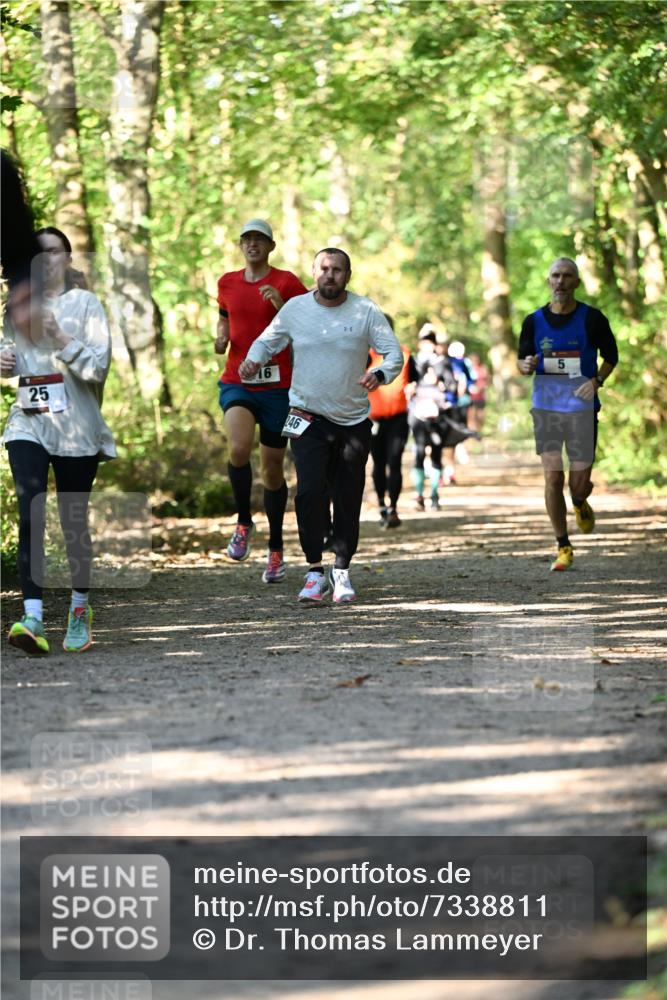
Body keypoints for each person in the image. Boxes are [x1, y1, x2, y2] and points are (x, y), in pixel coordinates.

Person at [239, 248, 402, 604]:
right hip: (307, 417)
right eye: (324, 269)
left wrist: (379, 373)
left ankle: (341, 571)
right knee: (310, 493)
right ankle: (315, 572)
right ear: (314, 272)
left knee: (347, 495)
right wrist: (253, 360)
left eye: (338, 270)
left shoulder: (365, 310)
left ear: (348, 274)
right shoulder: (296, 309)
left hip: (353, 420)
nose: (330, 275)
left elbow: (394, 355)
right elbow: (269, 339)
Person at [1, 227, 116, 654]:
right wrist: (3, 359)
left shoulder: (86, 304)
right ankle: (31, 616)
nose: (46, 260)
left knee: (72, 523)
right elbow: (8, 359)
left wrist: (61, 337)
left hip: (78, 429)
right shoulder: (17, 307)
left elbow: (98, 369)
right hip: (28, 424)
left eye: (54, 253)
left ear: (68, 260)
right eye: (39, 253)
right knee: (32, 511)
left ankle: (80, 609)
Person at [215, 219, 307, 582]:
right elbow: (225, 319)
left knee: (272, 472)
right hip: (238, 379)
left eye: (260, 239)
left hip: (277, 388)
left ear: (270, 246)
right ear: (241, 245)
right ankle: (242, 522)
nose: (252, 244)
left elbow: (307, 326)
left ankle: (276, 548)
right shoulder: (227, 282)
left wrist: (281, 304)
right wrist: (220, 340)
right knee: (237, 448)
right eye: (247, 239)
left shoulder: (287, 282)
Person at [518, 256, 618, 572]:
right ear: (548, 281)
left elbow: (611, 357)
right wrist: (525, 366)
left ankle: (579, 502)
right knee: (552, 476)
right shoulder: (533, 321)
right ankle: (563, 545)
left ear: (576, 282)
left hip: (581, 410)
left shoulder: (592, 319)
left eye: (567, 276)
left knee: (577, 484)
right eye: (555, 276)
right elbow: (522, 363)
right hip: (546, 408)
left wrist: (596, 381)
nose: (560, 282)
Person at [367, 315, 418, 528]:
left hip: (398, 417)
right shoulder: (364, 356)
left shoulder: (405, 355)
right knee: (378, 463)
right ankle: (381, 506)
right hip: (373, 419)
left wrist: (414, 387)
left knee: (394, 460)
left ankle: (394, 508)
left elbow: (416, 378)